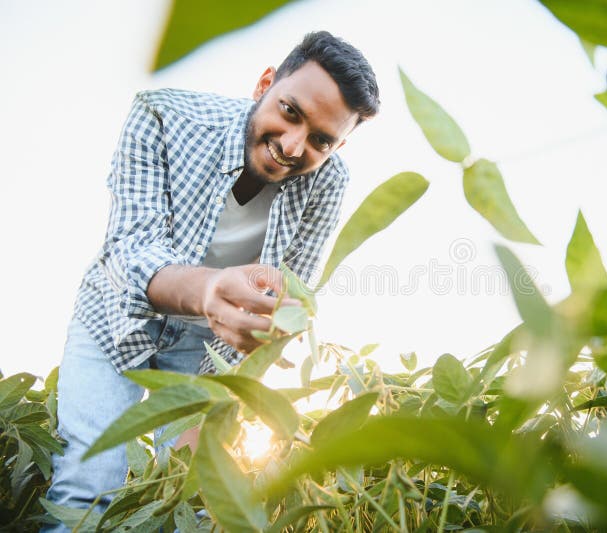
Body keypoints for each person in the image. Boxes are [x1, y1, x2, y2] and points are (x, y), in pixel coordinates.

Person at [42, 30, 379, 530]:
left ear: (340, 144)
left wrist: (229, 391)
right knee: (88, 485)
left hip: (209, 348)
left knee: (186, 501)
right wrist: (209, 291)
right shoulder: (163, 115)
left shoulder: (330, 182)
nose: (292, 146)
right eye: (290, 112)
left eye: (320, 140)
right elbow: (131, 248)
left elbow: (288, 296)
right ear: (265, 83)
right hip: (113, 317)